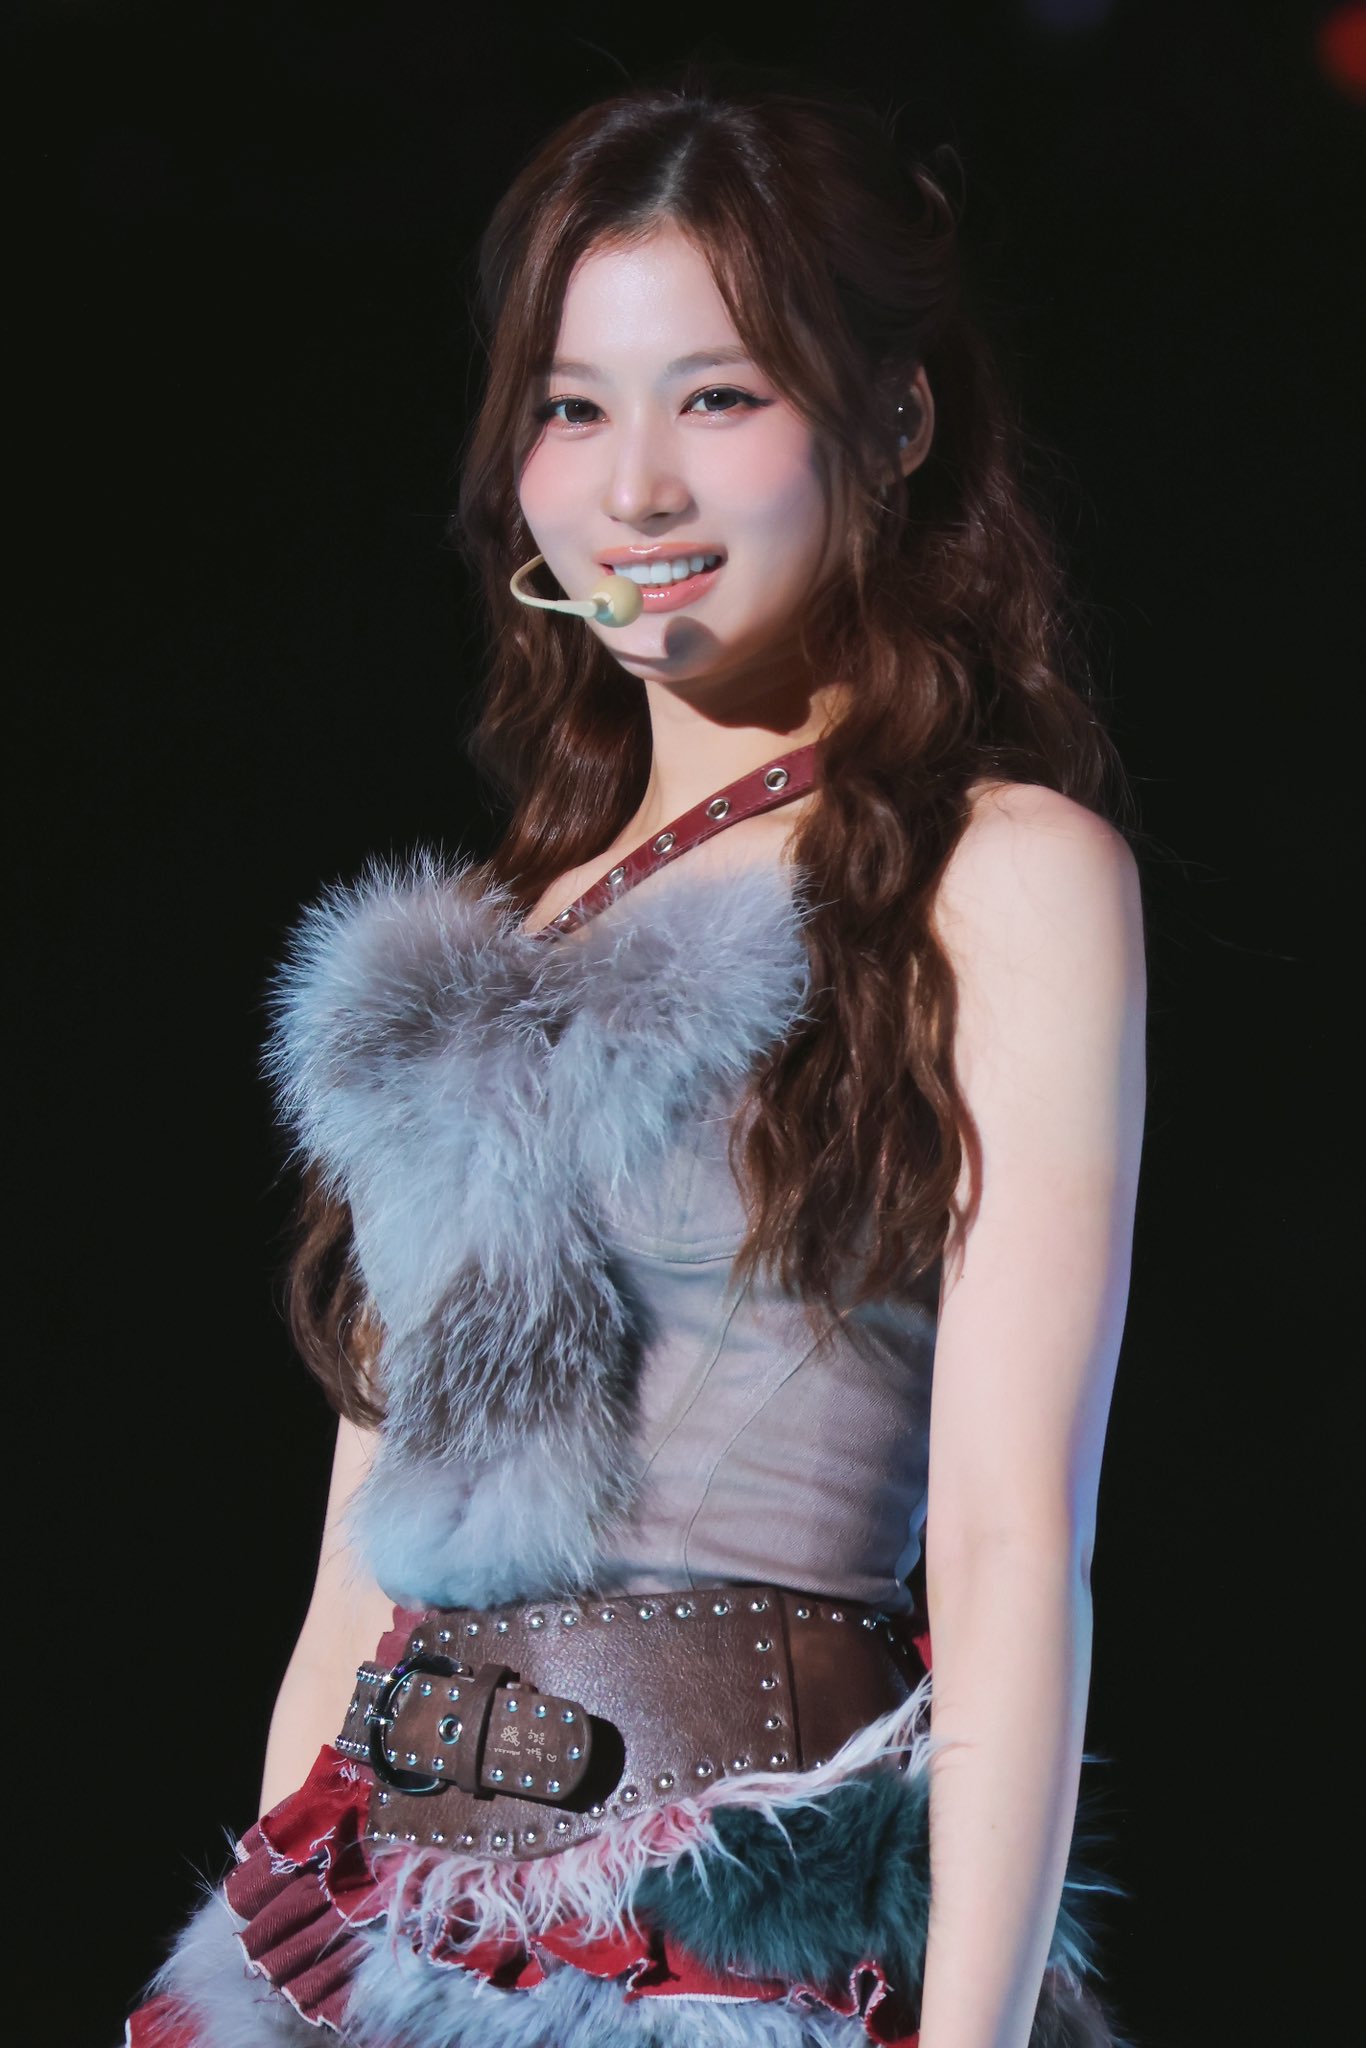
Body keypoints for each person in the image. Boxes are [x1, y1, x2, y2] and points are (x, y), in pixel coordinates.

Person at [125, 60, 1146, 2048]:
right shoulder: (483, 938)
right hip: (379, 1935)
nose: (635, 490)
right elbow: (352, 1584)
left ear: (891, 417)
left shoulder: (995, 872)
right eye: (572, 407)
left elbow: (1015, 1538)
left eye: (717, 397)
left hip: (731, 1955)